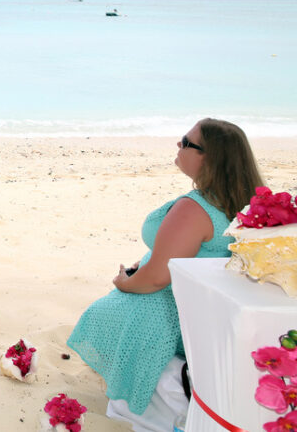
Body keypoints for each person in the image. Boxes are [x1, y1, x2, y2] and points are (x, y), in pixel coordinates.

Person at [67, 118, 264, 419]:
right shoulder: (248, 201)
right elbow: (193, 253)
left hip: (168, 309)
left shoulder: (196, 207)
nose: (178, 144)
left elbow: (159, 277)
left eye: (186, 142)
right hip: (206, 307)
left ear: (207, 158)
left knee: (100, 314)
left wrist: (124, 283)